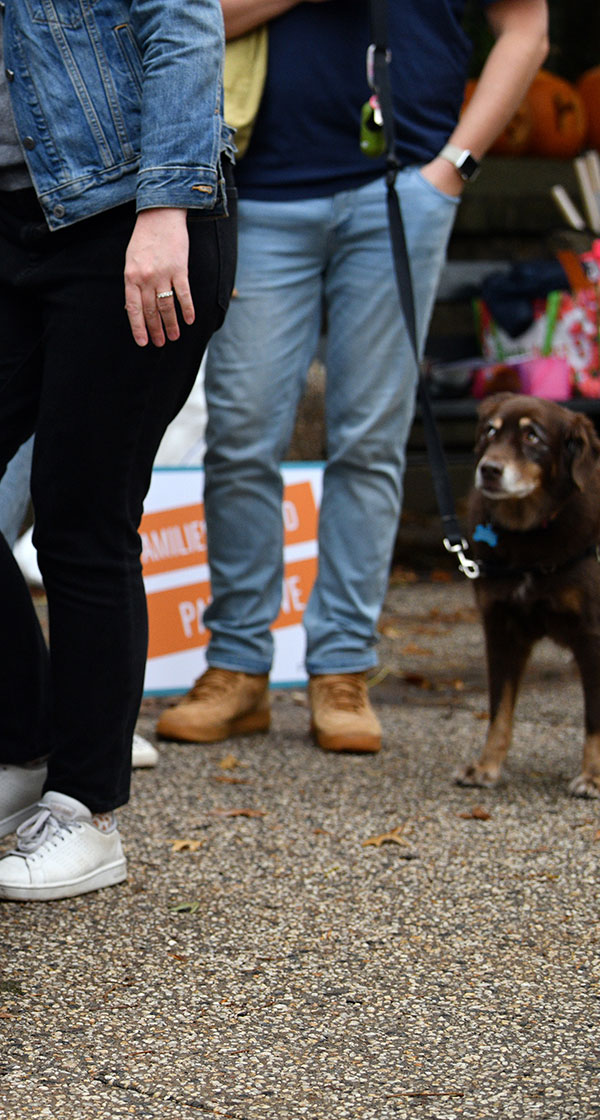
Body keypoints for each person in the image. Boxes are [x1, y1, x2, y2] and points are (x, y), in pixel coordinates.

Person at [155, 0, 547, 754]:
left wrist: (453, 170)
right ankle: (237, 667)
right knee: (241, 435)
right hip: (259, 188)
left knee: (369, 440)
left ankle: (343, 670)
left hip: (405, 190)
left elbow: (527, 27)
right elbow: (188, 18)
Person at [0, 0, 235, 900]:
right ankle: (23, 745)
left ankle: (87, 809)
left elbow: (184, 28)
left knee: (80, 521)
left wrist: (167, 204)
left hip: (136, 222)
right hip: (11, 228)